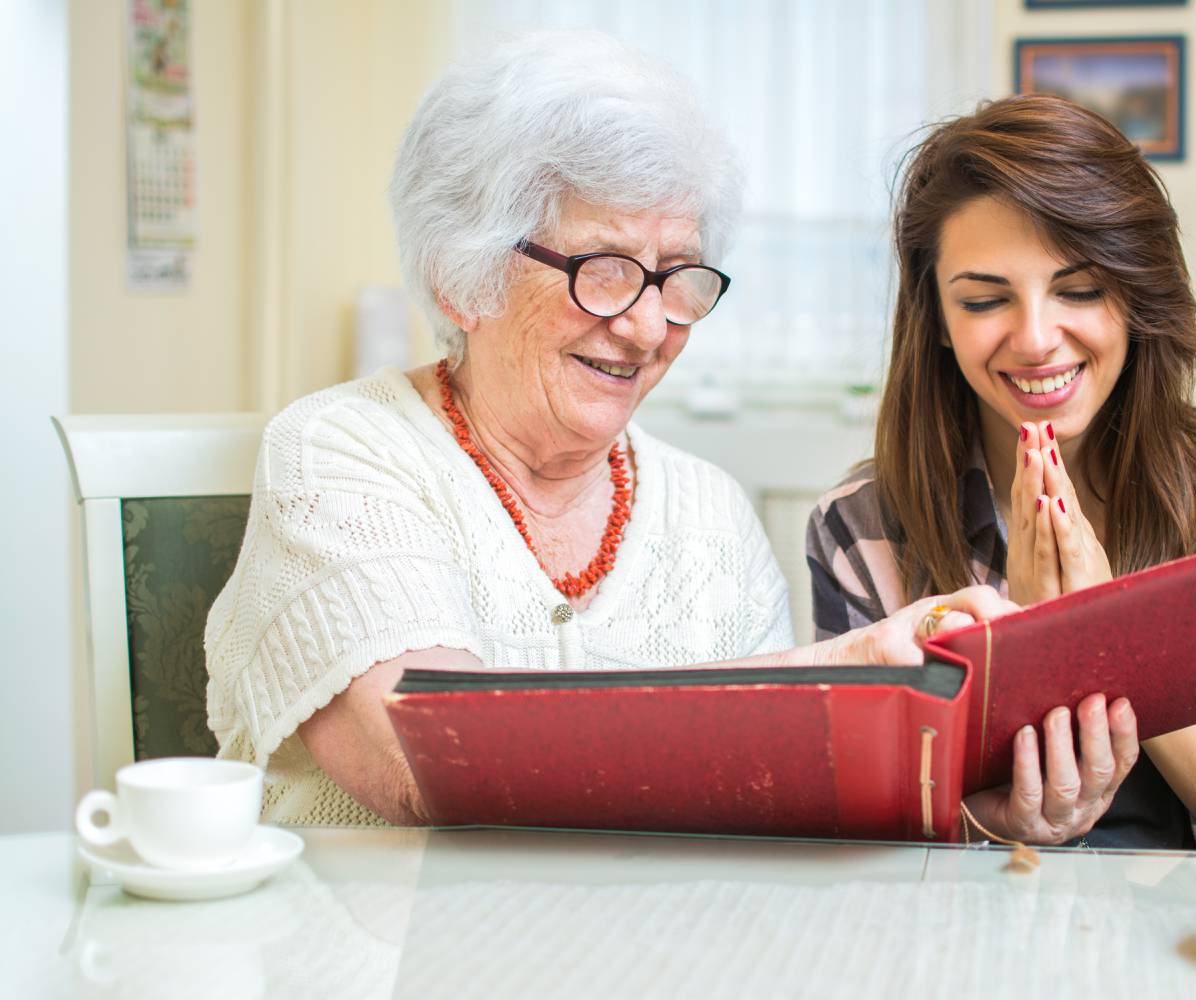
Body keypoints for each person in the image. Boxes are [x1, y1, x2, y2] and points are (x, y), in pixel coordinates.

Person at [205, 31, 1010, 827]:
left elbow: (768, 815)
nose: (648, 326)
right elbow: (431, 768)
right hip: (363, 947)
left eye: (675, 276)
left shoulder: (711, 514)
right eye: (606, 271)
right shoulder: (344, 453)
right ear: (463, 277)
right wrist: (834, 671)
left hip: (641, 952)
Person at [806, 94, 1196, 851]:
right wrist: (987, 818)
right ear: (936, 320)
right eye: (984, 300)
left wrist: (1108, 635)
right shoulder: (863, 529)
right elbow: (859, 830)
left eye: (1079, 290)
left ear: (1137, 293)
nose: (1037, 339)